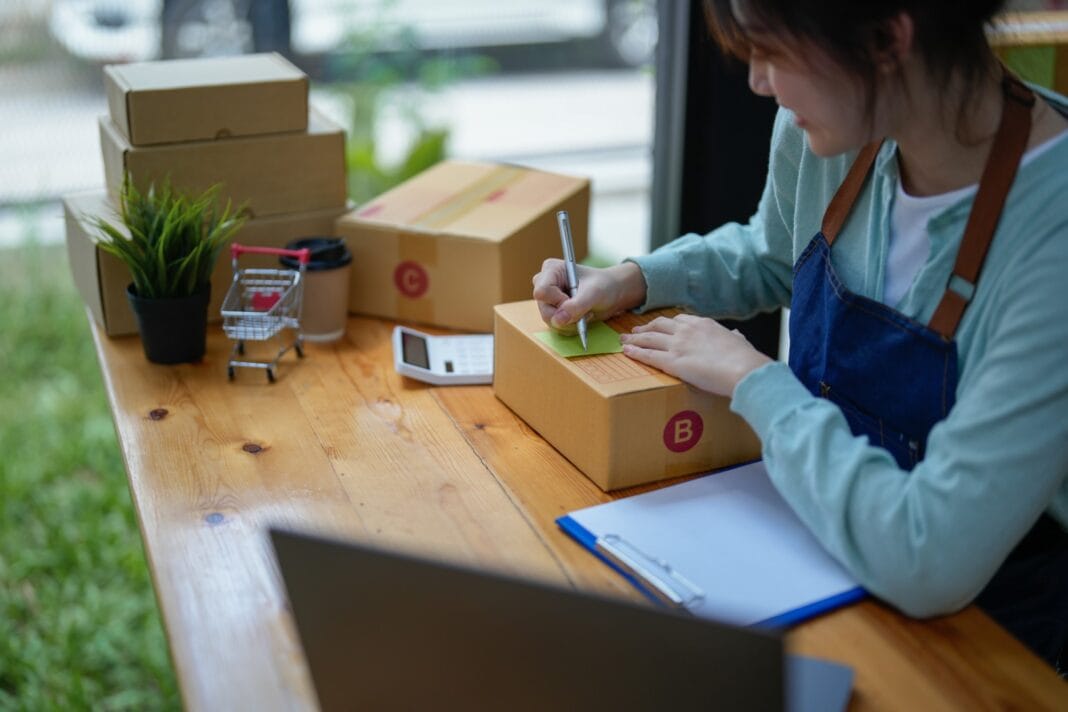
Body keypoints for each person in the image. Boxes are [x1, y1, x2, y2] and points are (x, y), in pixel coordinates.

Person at [533, 0, 1068, 671]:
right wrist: (634, 279)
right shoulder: (836, 126)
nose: (758, 82)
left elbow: (929, 554)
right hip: (819, 559)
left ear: (887, 39)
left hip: (986, 646)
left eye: (772, 54)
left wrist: (756, 383)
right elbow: (775, 254)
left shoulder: (1053, 241)